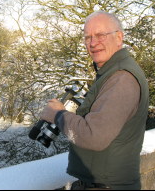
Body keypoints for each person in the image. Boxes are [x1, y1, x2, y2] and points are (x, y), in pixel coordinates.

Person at [40, 11, 149, 190]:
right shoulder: (112, 73)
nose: (92, 43)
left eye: (100, 35)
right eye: (87, 37)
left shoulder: (122, 79)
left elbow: (93, 136)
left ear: (119, 37)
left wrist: (58, 115)